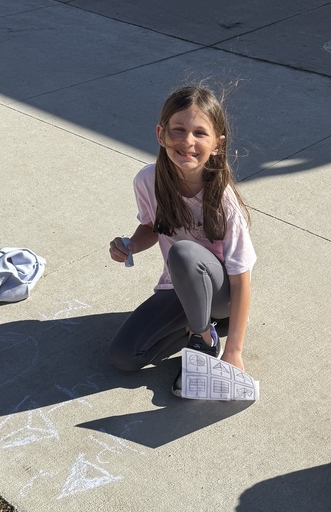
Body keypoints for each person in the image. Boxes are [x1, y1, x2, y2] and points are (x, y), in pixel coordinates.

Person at [108, 85, 256, 395]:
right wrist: (131, 244)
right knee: (124, 357)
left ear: (217, 144)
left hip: (222, 296)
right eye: (178, 130)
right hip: (181, 287)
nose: (187, 141)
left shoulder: (223, 200)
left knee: (184, 254)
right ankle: (199, 327)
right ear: (161, 134)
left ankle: (205, 340)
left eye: (200, 133)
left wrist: (235, 353)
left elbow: (242, 281)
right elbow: (152, 226)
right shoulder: (147, 180)